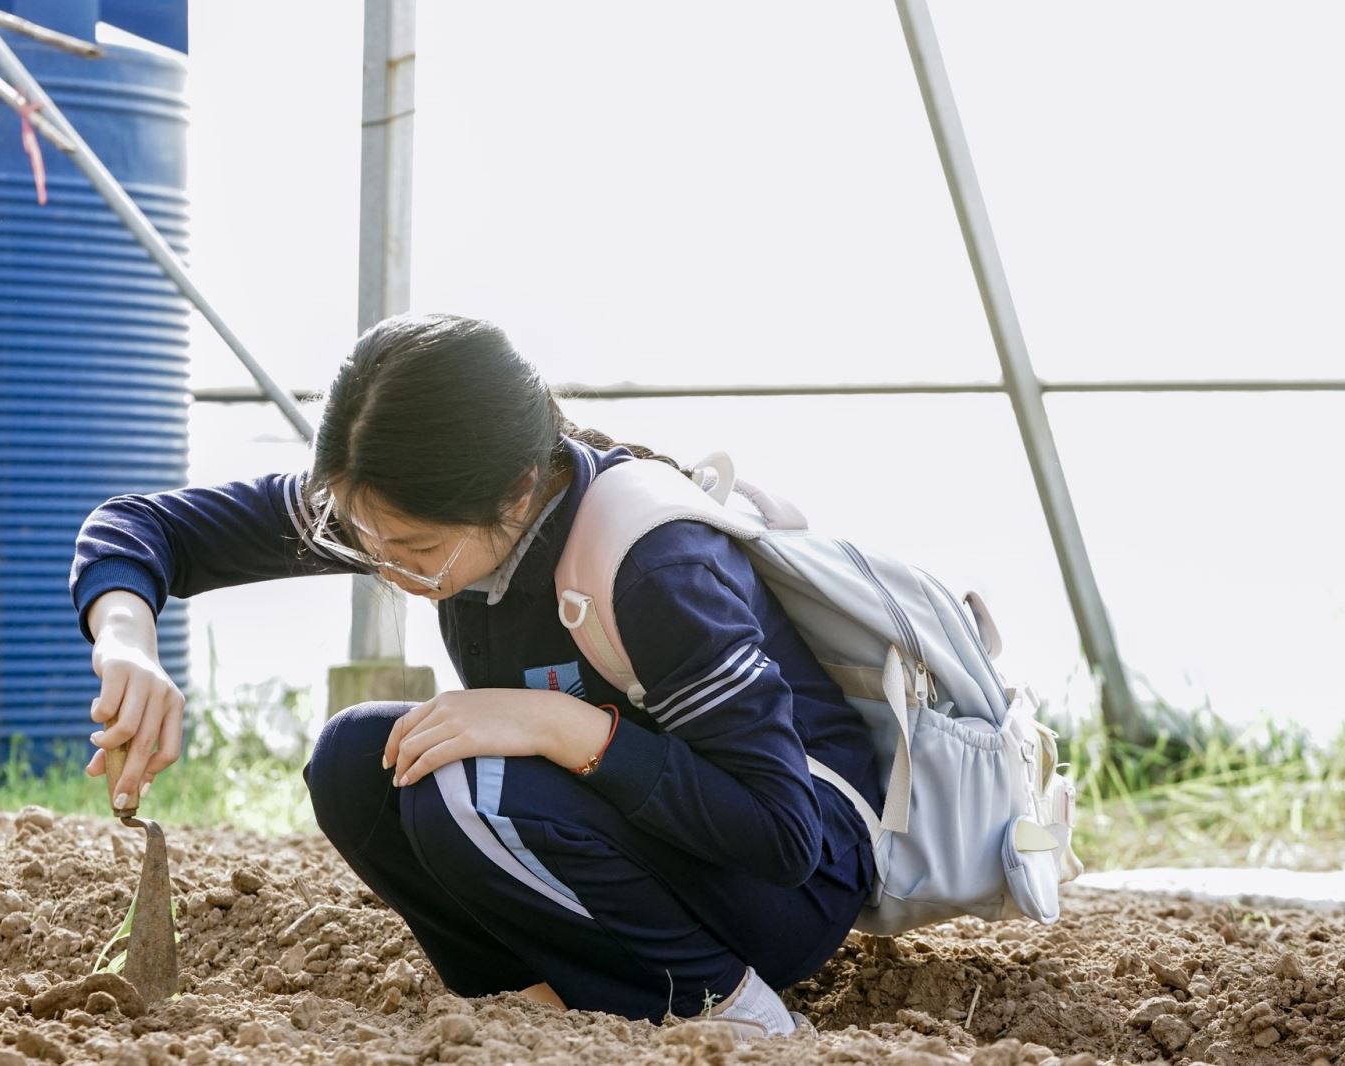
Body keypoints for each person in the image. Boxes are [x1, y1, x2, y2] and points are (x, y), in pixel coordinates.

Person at [69, 312, 881, 1040]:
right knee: (357, 759)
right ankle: (531, 1000)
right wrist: (128, 647)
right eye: (363, 541)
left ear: (517, 491)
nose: (388, 569)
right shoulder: (407, 508)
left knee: (468, 787)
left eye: (416, 552)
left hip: (786, 888)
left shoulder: (652, 569)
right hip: (644, 841)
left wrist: (563, 728)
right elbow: (144, 526)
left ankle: (722, 1004)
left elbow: (782, 835)